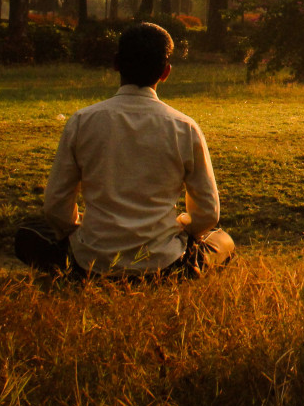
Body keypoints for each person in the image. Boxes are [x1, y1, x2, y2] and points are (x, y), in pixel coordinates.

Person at [14, 22, 235, 277]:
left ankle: (76, 267)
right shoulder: (184, 127)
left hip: (91, 262)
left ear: (116, 63)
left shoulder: (83, 121)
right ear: (166, 72)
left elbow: (56, 207)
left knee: (27, 235)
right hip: (165, 263)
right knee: (223, 242)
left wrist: (80, 230)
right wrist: (180, 225)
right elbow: (208, 213)